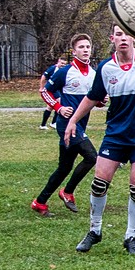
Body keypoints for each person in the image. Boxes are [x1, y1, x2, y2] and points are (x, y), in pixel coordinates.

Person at [63, 24, 135, 255]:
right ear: (112, 39)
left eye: (126, 34)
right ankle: (95, 231)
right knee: (99, 183)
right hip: (116, 135)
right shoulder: (106, 68)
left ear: (134, 37)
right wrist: (73, 120)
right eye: (118, 34)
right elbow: (92, 97)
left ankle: (131, 237)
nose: (123, 38)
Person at [31, 34, 99, 216]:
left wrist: (101, 101)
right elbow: (45, 92)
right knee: (92, 157)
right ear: (74, 51)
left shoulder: (94, 74)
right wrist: (59, 108)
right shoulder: (65, 72)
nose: (85, 50)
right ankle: (67, 192)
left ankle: (40, 202)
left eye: (88, 47)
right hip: (66, 125)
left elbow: (94, 99)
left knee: (64, 168)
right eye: (81, 47)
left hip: (80, 125)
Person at [37, 55, 67, 130]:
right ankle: (53, 123)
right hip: (51, 89)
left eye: (64, 64)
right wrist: (41, 87)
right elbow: (43, 77)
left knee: (50, 106)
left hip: (57, 89)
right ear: (58, 62)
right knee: (59, 102)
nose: (63, 65)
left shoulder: (63, 71)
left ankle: (44, 124)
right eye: (62, 63)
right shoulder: (53, 69)